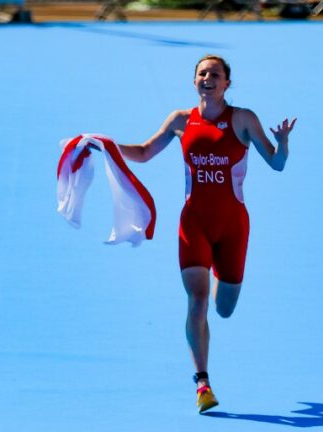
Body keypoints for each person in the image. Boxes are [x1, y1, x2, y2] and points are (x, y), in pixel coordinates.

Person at [116, 55, 296, 413]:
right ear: (194, 81)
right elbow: (144, 152)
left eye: (215, 74)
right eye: (202, 73)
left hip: (232, 228)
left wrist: (284, 144)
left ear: (228, 83)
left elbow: (276, 164)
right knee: (196, 302)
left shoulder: (243, 120)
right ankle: (202, 383)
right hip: (193, 224)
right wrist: (108, 145)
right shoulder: (181, 121)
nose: (208, 78)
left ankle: (219, 273)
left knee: (223, 308)